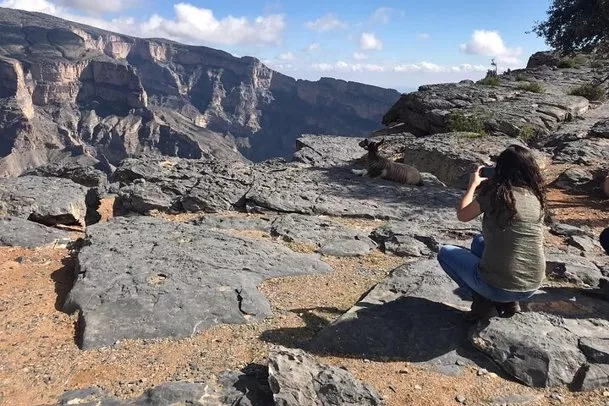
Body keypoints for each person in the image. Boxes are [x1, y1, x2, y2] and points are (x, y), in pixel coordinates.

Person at [437, 145, 546, 321]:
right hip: (532, 285)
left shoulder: (497, 193)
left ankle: (482, 302)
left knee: (445, 252)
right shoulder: (536, 197)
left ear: (501, 169)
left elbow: (463, 215)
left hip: (499, 287)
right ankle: (509, 303)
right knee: (478, 241)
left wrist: (472, 185)